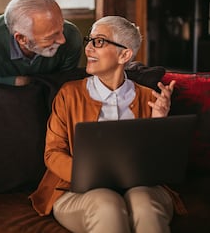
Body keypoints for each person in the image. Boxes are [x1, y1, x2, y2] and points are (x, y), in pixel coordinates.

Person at [29, 16, 182, 233]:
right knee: (107, 204)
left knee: (144, 204)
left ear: (125, 54)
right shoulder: (69, 94)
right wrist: (90, 177)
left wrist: (159, 120)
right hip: (77, 191)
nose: (89, 48)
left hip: (141, 189)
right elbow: (53, 153)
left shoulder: (151, 98)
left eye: (99, 42)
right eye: (89, 40)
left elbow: (161, 165)